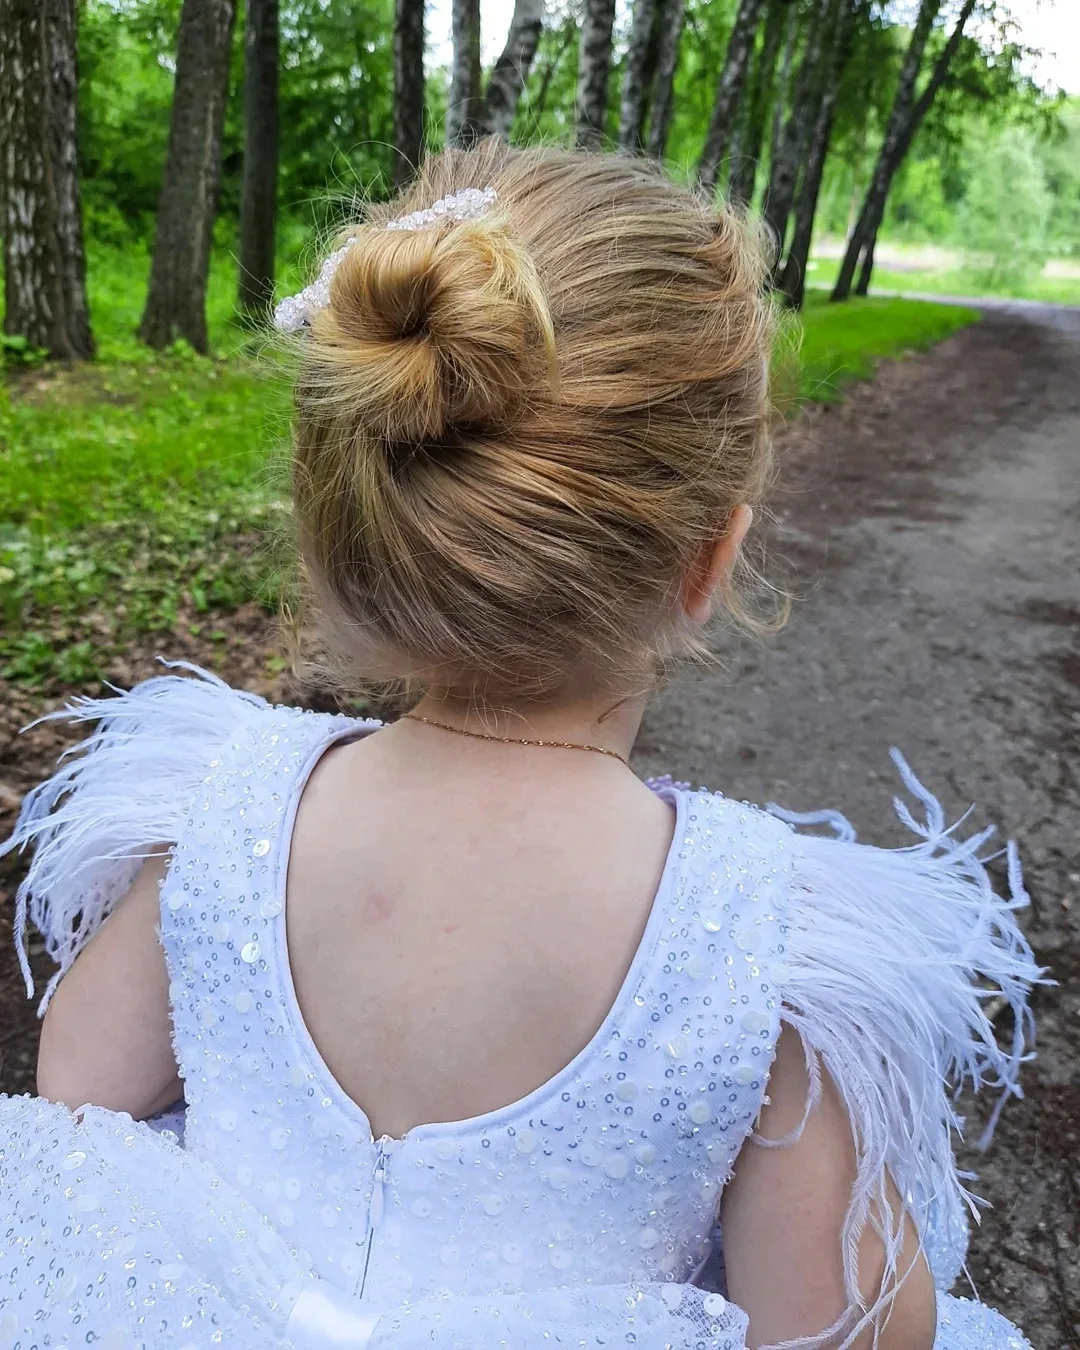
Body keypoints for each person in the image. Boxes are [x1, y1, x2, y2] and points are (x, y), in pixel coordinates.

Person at [0, 142, 1040, 1350]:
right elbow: (849, 1330)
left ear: (346, 527)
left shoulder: (224, 808)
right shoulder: (766, 944)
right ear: (710, 557)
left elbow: (83, 1102)